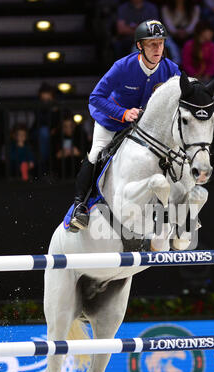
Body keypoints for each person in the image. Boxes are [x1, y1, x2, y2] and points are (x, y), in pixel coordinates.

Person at [69, 19, 180, 232]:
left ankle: (180, 209)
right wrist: (123, 113)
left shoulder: (171, 70)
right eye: (152, 44)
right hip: (111, 120)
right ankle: (79, 206)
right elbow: (95, 97)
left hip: (146, 127)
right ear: (140, 46)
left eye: (161, 43)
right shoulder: (122, 67)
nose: (158, 49)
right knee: (96, 153)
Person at [52, 116, 87, 180]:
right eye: (65, 126)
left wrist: (78, 153)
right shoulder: (57, 137)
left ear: (74, 125)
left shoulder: (80, 135)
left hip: (77, 166)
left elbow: (87, 152)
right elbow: (52, 155)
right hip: (61, 169)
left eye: (71, 126)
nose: (68, 129)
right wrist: (59, 154)